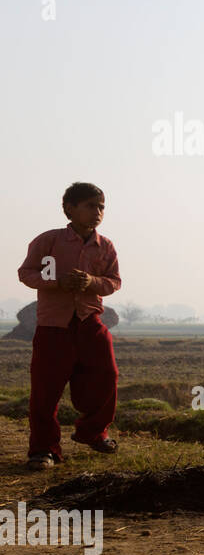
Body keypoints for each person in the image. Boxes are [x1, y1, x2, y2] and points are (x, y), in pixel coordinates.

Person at [17, 182, 122, 470]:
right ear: (69, 208)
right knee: (45, 390)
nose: (97, 212)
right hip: (53, 326)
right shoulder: (48, 241)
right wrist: (56, 282)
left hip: (90, 321)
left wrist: (91, 282)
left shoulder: (105, 246)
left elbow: (114, 281)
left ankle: (93, 432)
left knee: (107, 376)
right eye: (90, 206)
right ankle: (43, 451)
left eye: (101, 207)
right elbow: (26, 273)